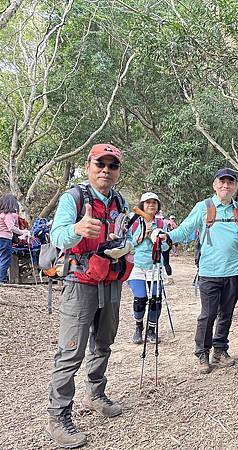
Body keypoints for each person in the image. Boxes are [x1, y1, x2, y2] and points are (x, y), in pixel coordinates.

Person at [46, 144, 134, 448]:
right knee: (71, 352)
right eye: (101, 164)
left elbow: (128, 233)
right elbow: (57, 235)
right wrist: (77, 230)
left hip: (110, 281)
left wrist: (126, 244)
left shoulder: (118, 201)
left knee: (104, 343)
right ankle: (58, 417)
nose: (106, 170)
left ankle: (96, 394)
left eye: (113, 166)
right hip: (79, 282)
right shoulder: (74, 198)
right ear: (89, 165)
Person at [166, 167, 238, 374]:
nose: (226, 186)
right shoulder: (204, 207)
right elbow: (185, 230)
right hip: (210, 271)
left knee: (226, 313)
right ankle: (202, 352)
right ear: (214, 185)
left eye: (230, 182)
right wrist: (166, 237)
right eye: (222, 182)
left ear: (235, 186)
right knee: (208, 314)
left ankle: (220, 349)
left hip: (234, 271)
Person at [128, 192, 170, 344]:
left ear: (158, 206)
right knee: (140, 299)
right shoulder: (133, 221)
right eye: (147, 202)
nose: (151, 205)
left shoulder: (162, 224)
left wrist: (159, 240)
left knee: (155, 299)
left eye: (154, 202)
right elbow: (129, 246)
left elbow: (166, 247)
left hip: (155, 265)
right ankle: (138, 327)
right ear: (142, 205)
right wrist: (142, 236)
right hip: (136, 265)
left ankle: (151, 330)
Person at [0, 194, 31, 283]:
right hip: (5, 239)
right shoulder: (8, 214)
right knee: (5, 260)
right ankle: (2, 280)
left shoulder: (1, 214)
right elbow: (11, 227)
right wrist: (23, 232)